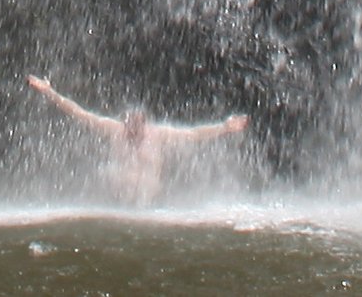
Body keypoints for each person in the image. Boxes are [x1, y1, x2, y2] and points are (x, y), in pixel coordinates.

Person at [24, 74, 248, 204]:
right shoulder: (114, 129)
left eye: (137, 123)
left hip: (148, 198)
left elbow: (193, 135)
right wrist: (48, 92)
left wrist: (225, 128)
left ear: (144, 122)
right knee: (115, 174)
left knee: (141, 183)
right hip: (119, 197)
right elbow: (79, 113)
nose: (133, 127)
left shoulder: (158, 134)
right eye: (129, 122)